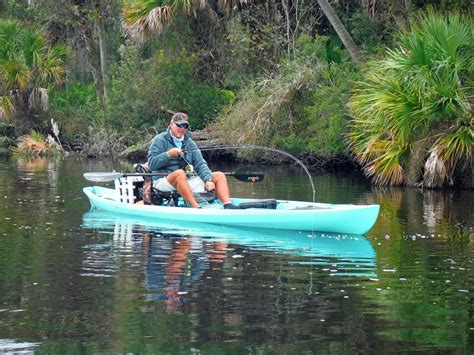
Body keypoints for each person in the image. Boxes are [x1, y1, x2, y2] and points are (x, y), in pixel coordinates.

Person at [147, 112, 238, 209]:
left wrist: (208, 180)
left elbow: (200, 164)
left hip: (185, 180)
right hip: (163, 181)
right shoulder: (159, 140)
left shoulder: (190, 143)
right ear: (171, 124)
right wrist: (168, 154)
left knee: (219, 175)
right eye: (179, 125)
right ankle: (196, 207)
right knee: (179, 173)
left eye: (185, 126)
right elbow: (152, 164)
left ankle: (228, 205)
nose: (182, 128)